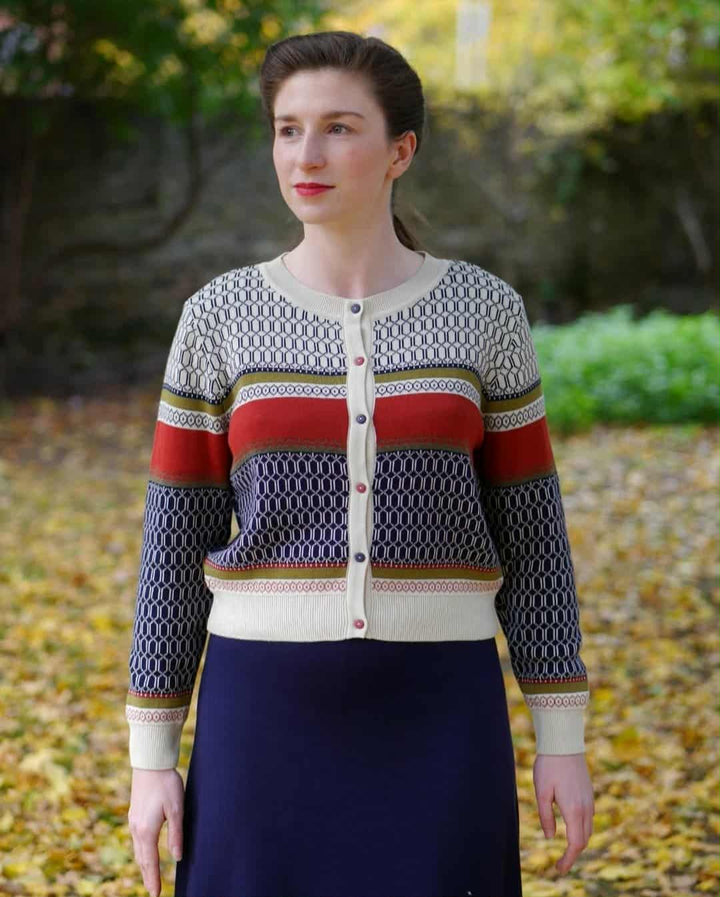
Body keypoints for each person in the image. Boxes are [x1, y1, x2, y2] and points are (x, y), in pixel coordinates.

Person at [126, 30, 594, 897]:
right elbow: (169, 551)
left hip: (442, 710)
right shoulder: (217, 317)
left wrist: (559, 735)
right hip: (261, 713)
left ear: (400, 151)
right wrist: (152, 756)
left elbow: (533, 538)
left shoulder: (485, 312)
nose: (306, 154)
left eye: (339, 127)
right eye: (286, 127)